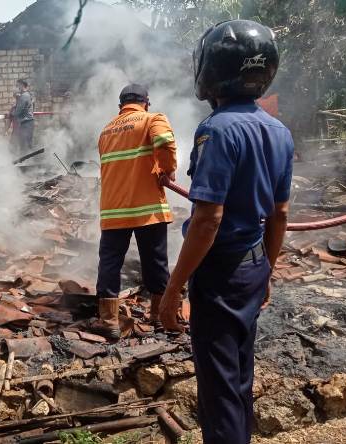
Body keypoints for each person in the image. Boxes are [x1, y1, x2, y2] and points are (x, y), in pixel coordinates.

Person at [158, 20, 293, 443]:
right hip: (253, 266)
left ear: (213, 69)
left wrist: (173, 288)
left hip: (221, 274)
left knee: (217, 389)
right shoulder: (280, 132)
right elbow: (280, 215)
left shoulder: (216, 130)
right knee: (238, 374)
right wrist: (267, 271)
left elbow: (207, 220)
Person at [93, 83, 177, 339]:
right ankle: (159, 317)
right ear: (146, 102)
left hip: (113, 210)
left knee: (109, 263)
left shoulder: (106, 130)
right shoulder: (153, 119)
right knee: (155, 262)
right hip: (147, 208)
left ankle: (109, 322)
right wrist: (167, 169)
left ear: (120, 107)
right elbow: (165, 142)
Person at [13, 79, 34, 152]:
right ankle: (30, 161)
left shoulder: (24, 96)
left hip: (26, 124)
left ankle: (26, 161)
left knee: (24, 146)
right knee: (28, 145)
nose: (17, 87)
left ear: (22, 85)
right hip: (28, 123)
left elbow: (18, 112)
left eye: (17, 85)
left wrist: (12, 113)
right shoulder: (27, 95)